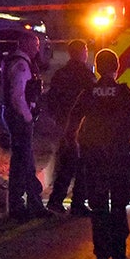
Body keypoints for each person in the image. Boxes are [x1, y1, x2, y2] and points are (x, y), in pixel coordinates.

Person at [64, 49, 130, 259]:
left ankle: (101, 254)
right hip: (120, 155)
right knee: (119, 204)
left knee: (99, 204)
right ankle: (119, 251)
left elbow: (74, 117)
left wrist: (71, 140)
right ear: (117, 68)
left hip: (94, 155)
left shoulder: (89, 92)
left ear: (97, 67)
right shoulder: (123, 92)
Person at [44, 39, 95, 215]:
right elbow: (92, 101)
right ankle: (78, 203)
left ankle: (56, 201)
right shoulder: (86, 75)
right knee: (82, 166)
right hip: (81, 127)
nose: (86, 53)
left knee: (66, 165)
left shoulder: (61, 74)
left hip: (65, 126)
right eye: (86, 50)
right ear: (82, 52)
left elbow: (51, 99)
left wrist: (58, 120)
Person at [2, 31, 49, 220]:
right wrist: (28, 116)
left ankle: (26, 204)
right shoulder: (21, 65)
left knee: (23, 162)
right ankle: (24, 205)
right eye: (36, 45)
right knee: (24, 163)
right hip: (20, 118)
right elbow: (17, 95)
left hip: (18, 116)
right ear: (27, 45)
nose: (38, 49)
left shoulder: (20, 62)